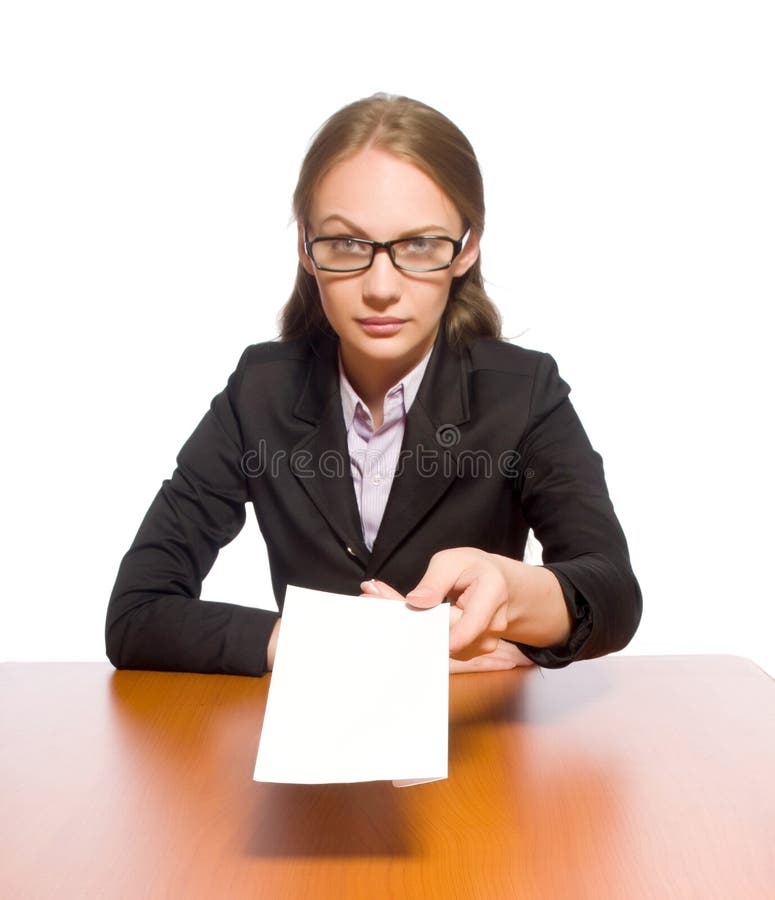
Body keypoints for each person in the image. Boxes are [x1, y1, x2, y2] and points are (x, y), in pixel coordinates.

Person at [106, 93, 642, 677]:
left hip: (469, 737)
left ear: (466, 249)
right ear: (307, 250)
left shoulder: (524, 391)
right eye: (347, 245)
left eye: (418, 245)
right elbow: (137, 613)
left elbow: (612, 594)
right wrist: (325, 643)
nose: (381, 287)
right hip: (311, 742)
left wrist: (513, 598)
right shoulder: (259, 390)